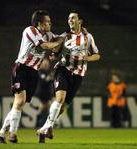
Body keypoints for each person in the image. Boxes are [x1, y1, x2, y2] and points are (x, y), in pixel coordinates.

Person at [0, 10, 63, 143]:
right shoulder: (30, 30)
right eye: (48, 22)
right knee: (20, 101)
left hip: (33, 72)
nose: (50, 24)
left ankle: (2, 133)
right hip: (21, 68)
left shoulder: (48, 34)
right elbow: (45, 45)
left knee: (20, 103)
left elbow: (59, 38)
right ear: (40, 23)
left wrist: (59, 39)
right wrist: (56, 44)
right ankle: (12, 134)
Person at [37, 10, 101, 143]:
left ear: (80, 21)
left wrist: (87, 58)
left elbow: (97, 55)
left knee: (63, 107)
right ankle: (46, 127)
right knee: (59, 99)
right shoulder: (64, 36)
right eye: (69, 19)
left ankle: (46, 128)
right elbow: (56, 51)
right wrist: (54, 55)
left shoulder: (88, 37)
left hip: (78, 74)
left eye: (73, 18)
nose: (70, 21)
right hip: (63, 70)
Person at [36, 58, 54, 127]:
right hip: (43, 92)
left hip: (47, 92)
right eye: (45, 64)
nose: (46, 65)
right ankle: (46, 123)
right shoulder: (40, 72)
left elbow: (50, 80)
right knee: (45, 106)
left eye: (47, 64)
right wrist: (49, 77)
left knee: (46, 106)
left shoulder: (47, 72)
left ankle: (44, 123)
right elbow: (44, 81)